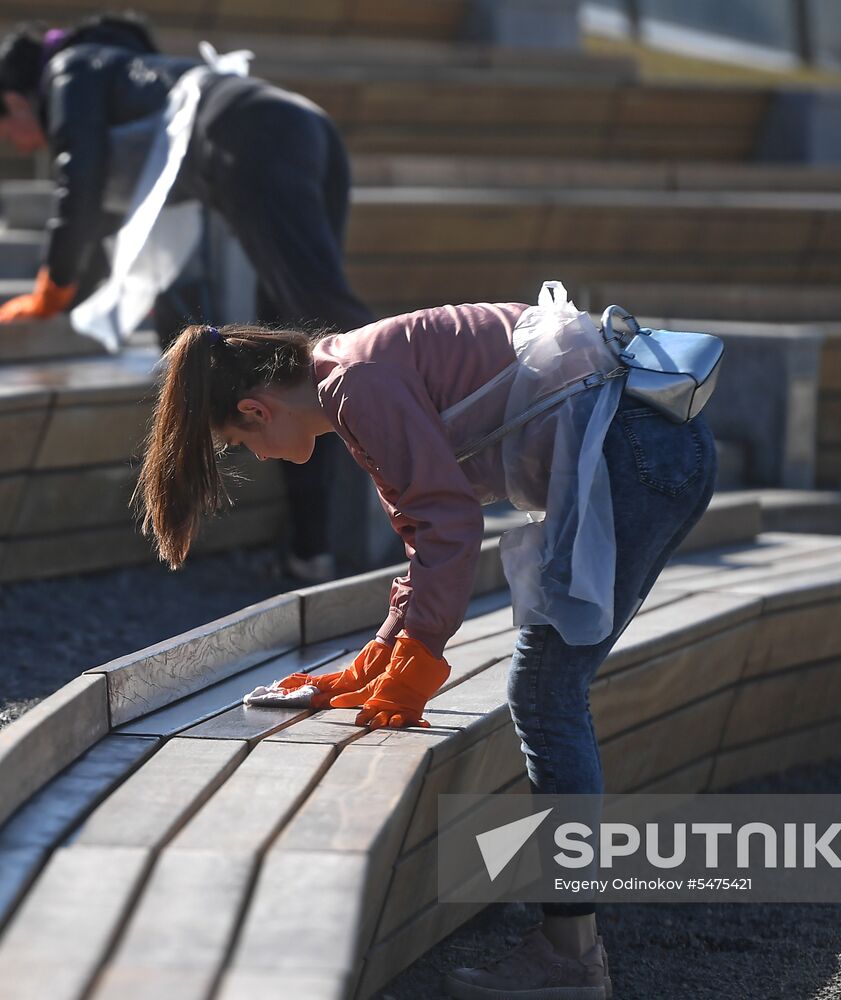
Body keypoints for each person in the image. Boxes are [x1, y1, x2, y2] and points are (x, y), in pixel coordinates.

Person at [133, 291, 718, 999]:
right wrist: (378, 657)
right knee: (548, 691)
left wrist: (422, 658)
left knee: (545, 695)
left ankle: (571, 956)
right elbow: (426, 531)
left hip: (636, 450)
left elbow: (449, 526)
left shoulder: (354, 385)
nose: (255, 454)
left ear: (255, 410)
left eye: (238, 445)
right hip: (651, 444)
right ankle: (570, 947)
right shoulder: (346, 373)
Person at [0, 14, 372, 582]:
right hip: (300, 124)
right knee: (303, 343)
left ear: (13, 100)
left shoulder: (70, 69)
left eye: (9, 132)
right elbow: (116, 214)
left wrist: (50, 292)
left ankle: (440, 424)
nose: (19, 144)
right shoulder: (117, 71)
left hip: (255, 132)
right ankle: (313, 549)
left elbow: (77, 183)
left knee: (338, 332)